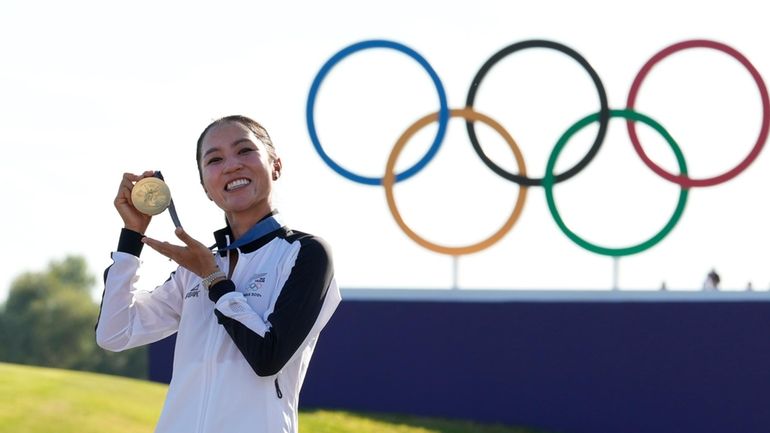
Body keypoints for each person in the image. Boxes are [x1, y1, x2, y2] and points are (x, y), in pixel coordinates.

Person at [96, 115, 341, 433]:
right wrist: (131, 237)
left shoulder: (305, 253)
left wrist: (215, 281)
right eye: (214, 159)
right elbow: (114, 334)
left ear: (276, 165)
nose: (231, 165)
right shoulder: (196, 267)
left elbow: (268, 358)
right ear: (205, 188)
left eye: (244, 151)